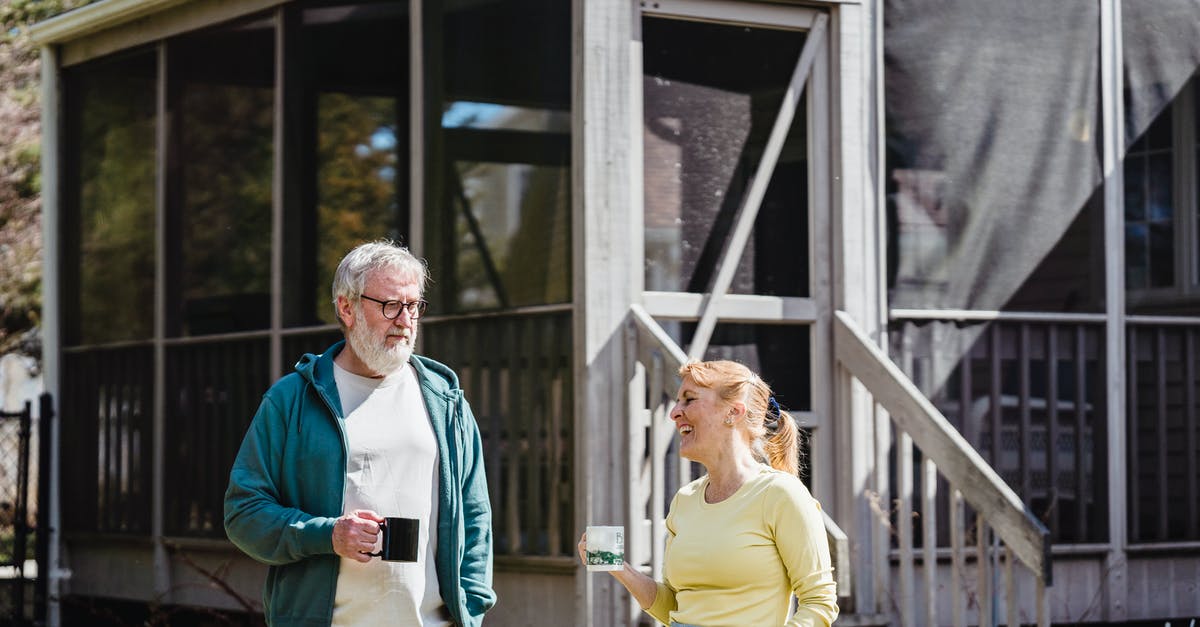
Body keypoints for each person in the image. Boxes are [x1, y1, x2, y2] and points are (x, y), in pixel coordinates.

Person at [224, 240, 495, 627]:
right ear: (346, 308)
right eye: (389, 305)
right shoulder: (291, 400)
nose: (404, 320)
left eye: (413, 305)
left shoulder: (445, 401)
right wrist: (329, 535)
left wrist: (472, 609)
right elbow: (243, 514)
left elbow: (475, 516)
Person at [579, 360, 838, 627]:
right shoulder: (685, 499)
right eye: (677, 401)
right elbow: (672, 606)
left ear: (733, 412)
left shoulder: (781, 494)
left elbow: (819, 603)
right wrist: (621, 568)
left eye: (689, 400)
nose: (675, 412)